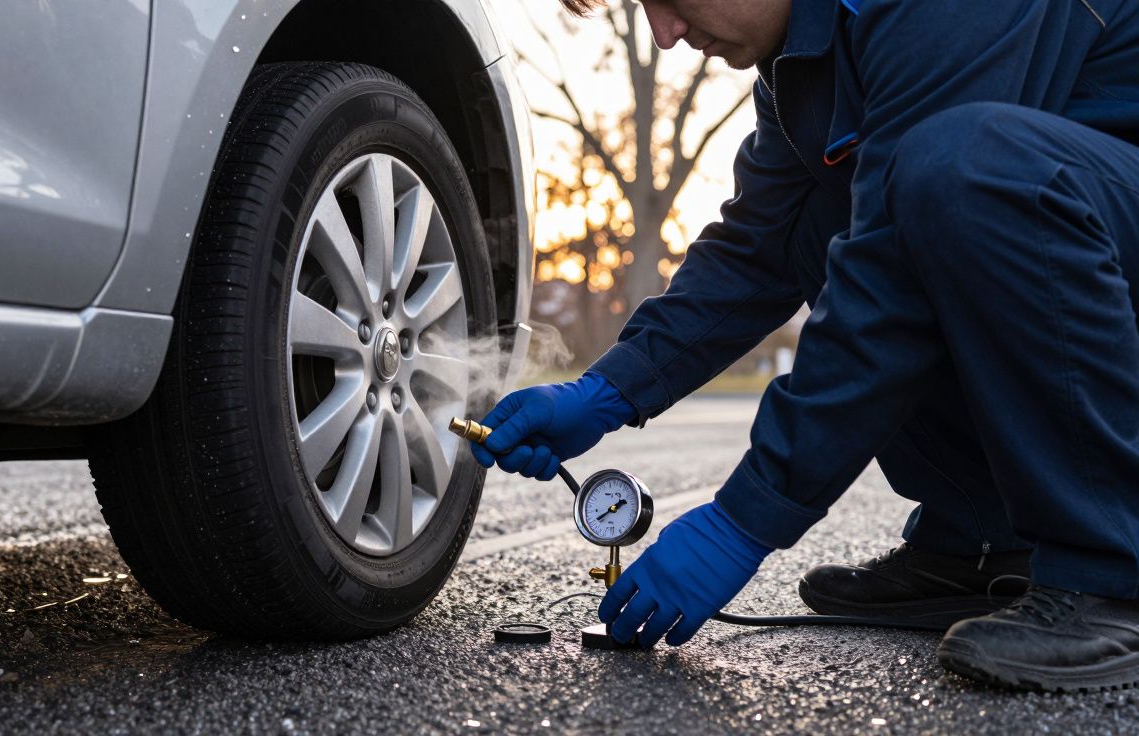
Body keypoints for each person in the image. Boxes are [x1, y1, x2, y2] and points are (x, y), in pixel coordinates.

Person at [473, 0, 1139, 692]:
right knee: (822, 218)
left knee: (966, 166)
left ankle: (1112, 576)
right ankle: (980, 543)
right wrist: (604, 392)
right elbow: (757, 250)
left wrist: (744, 519)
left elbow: (886, 283)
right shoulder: (808, 66)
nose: (664, 33)